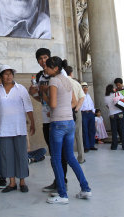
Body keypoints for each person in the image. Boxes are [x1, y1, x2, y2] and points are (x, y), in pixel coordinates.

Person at [44, 56, 92, 204]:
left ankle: (63, 194)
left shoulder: (53, 81)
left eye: (47, 66)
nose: (45, 68)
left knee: (56, 159)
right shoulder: (68, 80)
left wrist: (42, 95)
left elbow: (52, 104)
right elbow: (73, 102)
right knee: (70, 157)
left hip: (58, 123)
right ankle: (85, 189)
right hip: (69, 122)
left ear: (55, 68)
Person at [28, 47, 68, 193]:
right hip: (46, 119)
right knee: (53, 152)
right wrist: (33, 94)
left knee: (62, 153)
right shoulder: (39, 76)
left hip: (59, 118)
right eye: (40, 59)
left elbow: (65, 92)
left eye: (45, 57)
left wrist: (43, 92)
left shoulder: (59, 73)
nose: (43, 61)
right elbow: (41, 99)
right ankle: (58, 180)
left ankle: (62, 181)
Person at [0, 65, 35, 193]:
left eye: (11, 74)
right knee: (6, 156)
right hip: (3, 129)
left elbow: (28, 107)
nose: (9, 76)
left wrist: (33, 123)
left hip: (19, 128)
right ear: (1, 76)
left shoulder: (20, 89)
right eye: (6, 74)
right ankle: (11, 183)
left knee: (21, 155)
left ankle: (22, 182)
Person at [64, 65, 86, 163]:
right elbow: (82, 97)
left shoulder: (62, 82)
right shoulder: (76, 83)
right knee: (78, 135)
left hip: (65, 111)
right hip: (76, 111)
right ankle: (81, 157)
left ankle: (68, 157)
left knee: (66, 135)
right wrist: (77, 108)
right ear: (71, 73)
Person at [105, 84, 124, 150]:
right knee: (121, 129)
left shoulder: (106, 97)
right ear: (112, 89)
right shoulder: (117, 94)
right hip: (119, 113)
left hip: (112, 114)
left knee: (114, 130)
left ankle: (114, 145)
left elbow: (107, 106)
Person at [80, 82, 97, 152]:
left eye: (86, 87)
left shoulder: (88, 95)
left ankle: (91, 145)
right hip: (84, 113)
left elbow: (91, 104)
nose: (86, 89)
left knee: (92, 130)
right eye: (84, 88)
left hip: (90, 113)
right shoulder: (80, 95)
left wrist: (93, 111)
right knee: (85, 130)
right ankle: (86, 146)